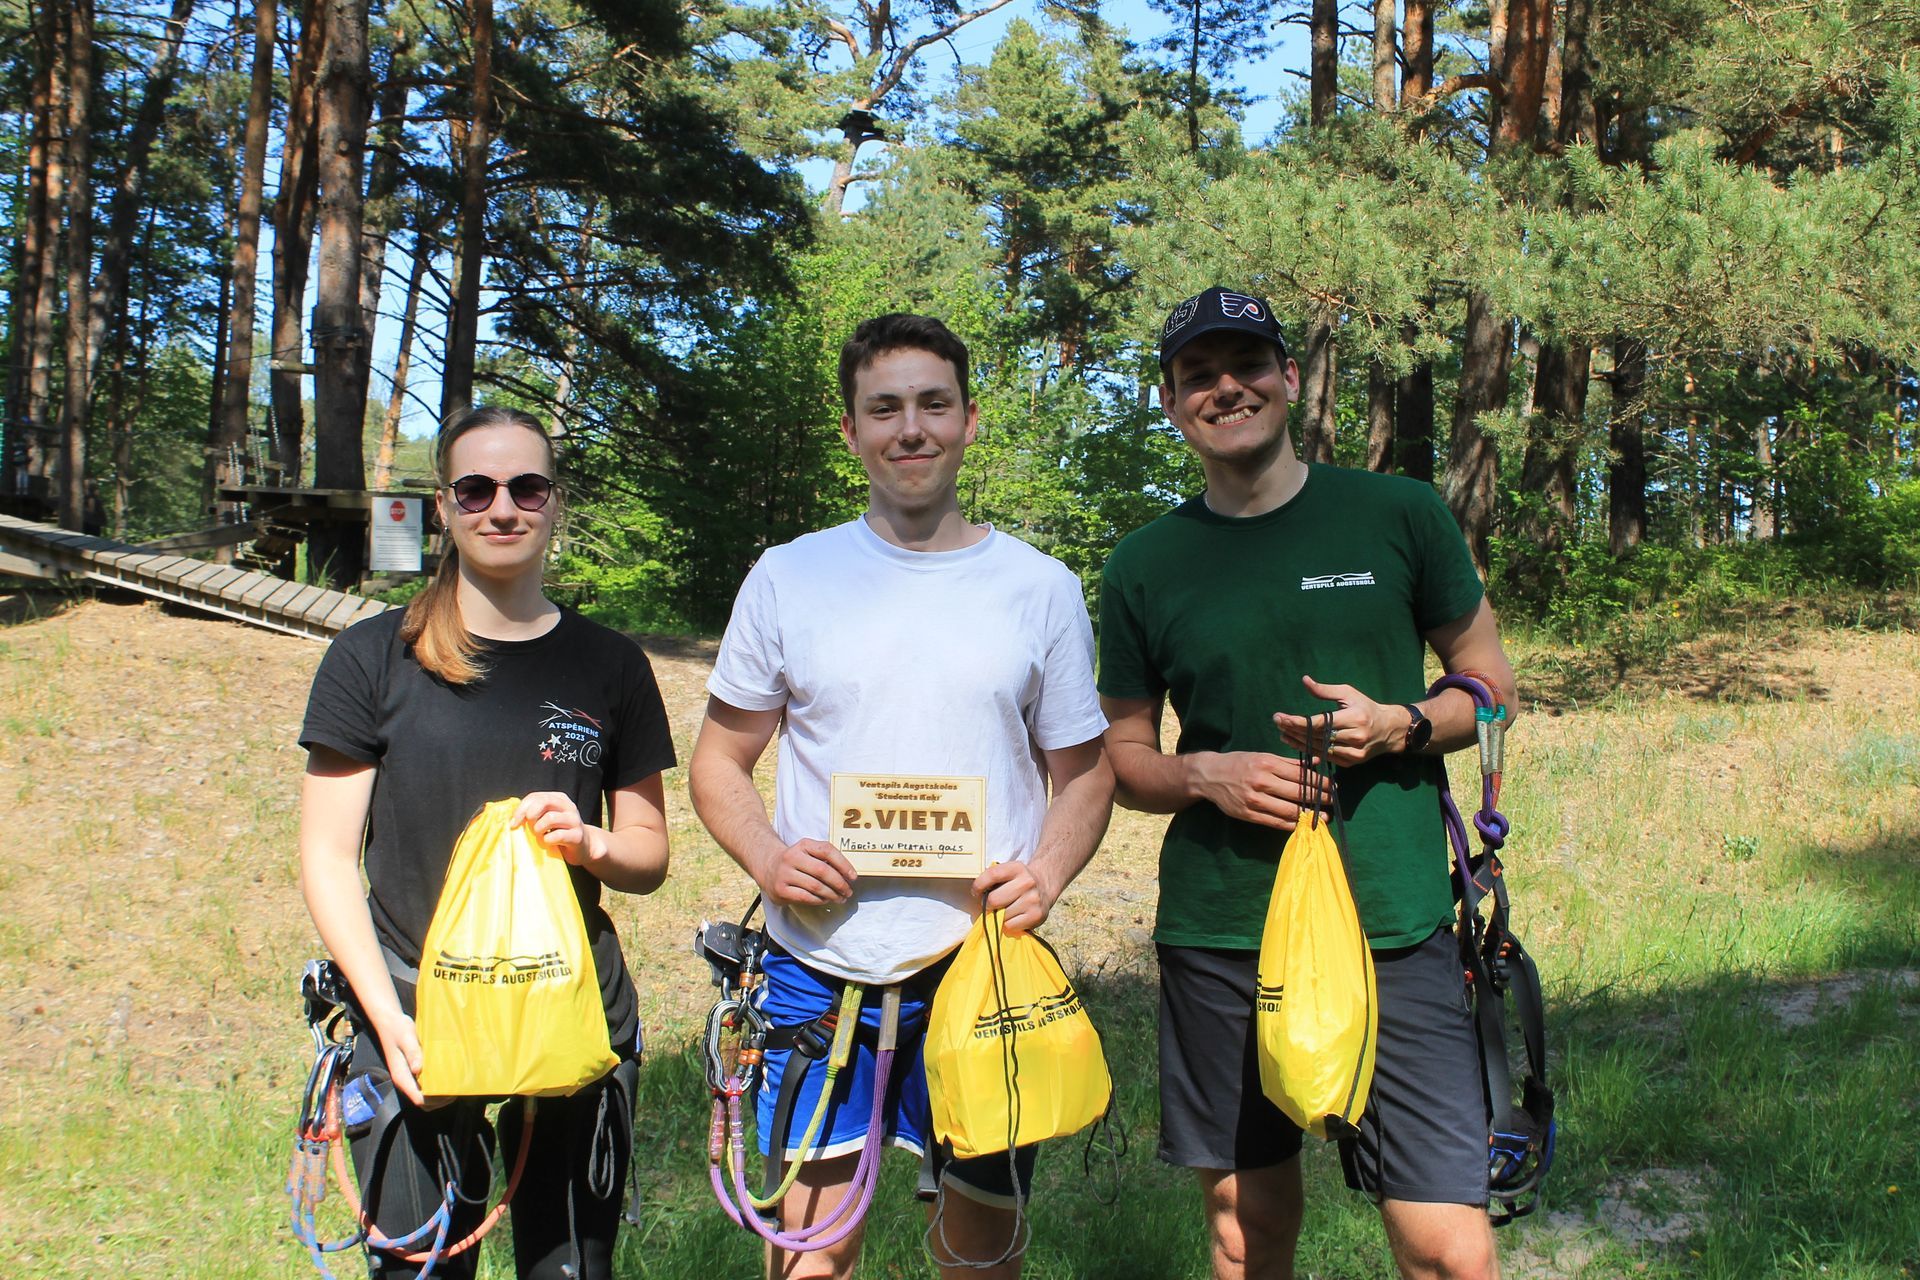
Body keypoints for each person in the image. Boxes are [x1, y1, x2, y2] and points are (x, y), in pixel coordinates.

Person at [1097, 288, 1520, 1280]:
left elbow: (1493, 692)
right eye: (1198, 375)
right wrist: (1202, 773)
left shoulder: (1399, 514)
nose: (1226, 388)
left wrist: (1402, 724)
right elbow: (1122, 756)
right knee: (1247, 1232)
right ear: (1170, 402)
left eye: (1248, 364)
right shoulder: (1143, 564)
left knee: (1449, 1250)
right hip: (1222, 929)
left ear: (1289, 377)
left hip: (1394, 919)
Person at [688, 313, 1114, 1280]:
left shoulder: (1041, 587)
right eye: (884, 409)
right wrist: (769, 858)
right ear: (851, 430)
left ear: (969, 420)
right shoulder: (788, 576)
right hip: (817, 965)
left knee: (978, 1258)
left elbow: (1086, 772)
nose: (910, 429)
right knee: (812, 1255)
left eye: (933, 404)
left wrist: (1047, 873)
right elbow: (718, 760)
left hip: (985, 969)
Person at [297, 405, 675, 1280]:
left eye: (527, 487)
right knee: (419, 1271)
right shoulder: (372, 656)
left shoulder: (611, 664)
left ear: (555, 503)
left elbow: (650, 854)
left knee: (570, 1270)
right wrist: (385, 1018)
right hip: (412, 1013)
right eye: (476, 489)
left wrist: (592, 844)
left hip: (571, 1011)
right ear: (444, 507)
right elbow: (327, 857)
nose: (502, 508)